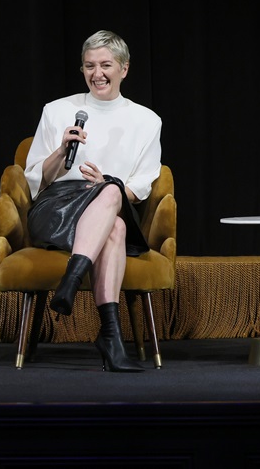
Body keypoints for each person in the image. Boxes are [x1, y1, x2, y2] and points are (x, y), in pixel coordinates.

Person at [24, 30, 162, 372]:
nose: (97, 73)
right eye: (89, 66)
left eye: (105, 65)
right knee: (112, 211)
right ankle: (110, 337)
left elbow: (142, 184)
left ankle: (77, 288)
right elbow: (36, 178)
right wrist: (61, 149)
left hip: (112, 205)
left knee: (113, 201)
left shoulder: (146, 120)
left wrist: (107, 189)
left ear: (124, 69)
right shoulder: (58, 111)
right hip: (57, 207)